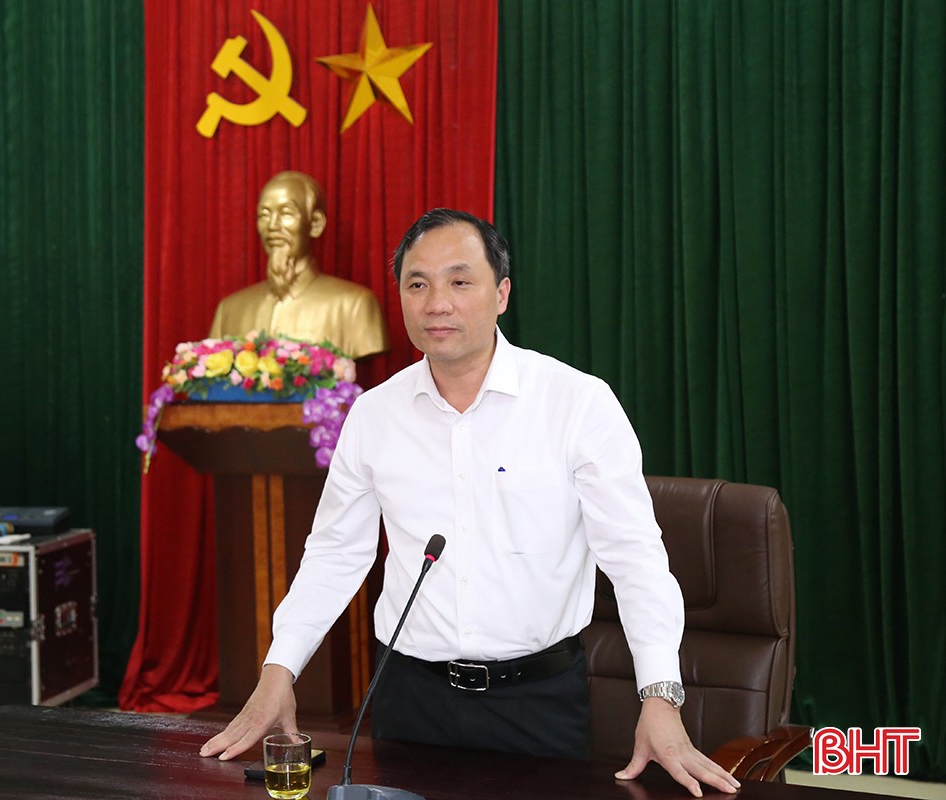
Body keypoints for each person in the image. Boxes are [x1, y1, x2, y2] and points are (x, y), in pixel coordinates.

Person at [200, 208, 740, 798]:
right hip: (409, 700)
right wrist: (278, 671)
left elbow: (636, 560)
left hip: (537, 703)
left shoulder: (577, 403)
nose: (437, 303)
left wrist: (660, 696)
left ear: (502, 293)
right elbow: (334, 555)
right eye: (417, 284)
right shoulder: (374, 415)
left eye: (460, 281)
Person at [208, 170, 388, 359]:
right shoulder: (229, 310)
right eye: (264, 214)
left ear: (315, 223)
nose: (272, 225)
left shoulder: (355, 305)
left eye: (286, 213)